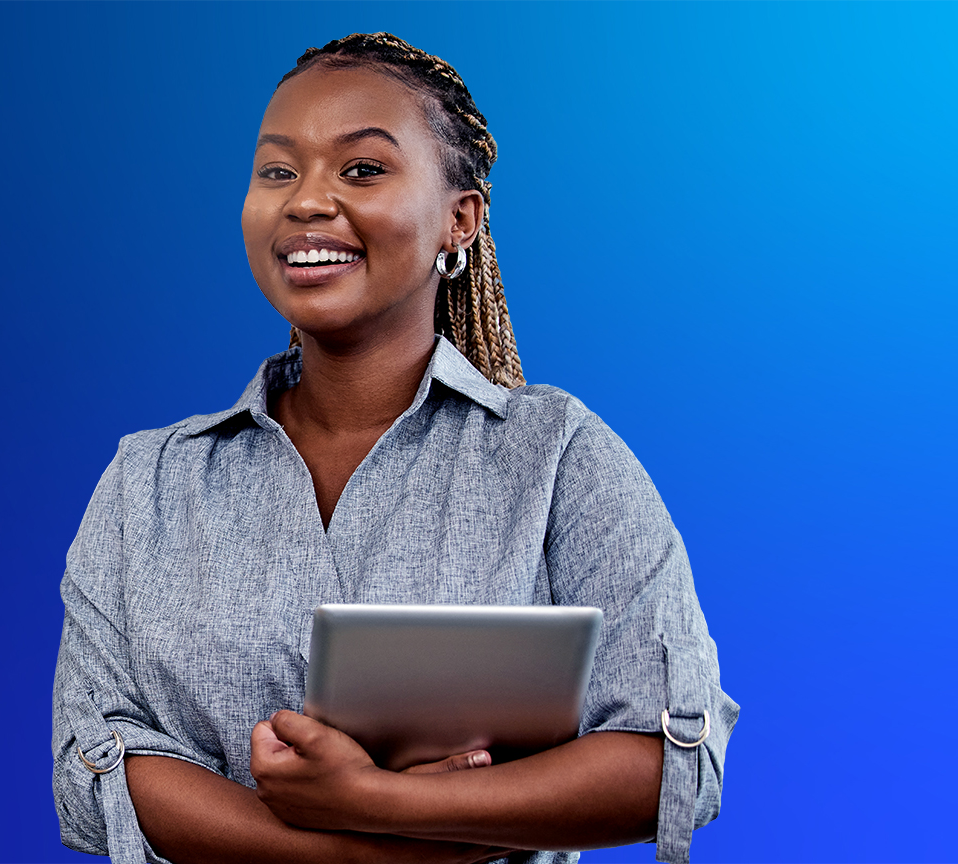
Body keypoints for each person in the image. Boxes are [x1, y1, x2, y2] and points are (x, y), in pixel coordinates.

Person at [52, 32, 737, 864]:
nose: (306, 201)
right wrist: (376, 852)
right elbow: (98, 769)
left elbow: (671, 760)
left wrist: (370, 798)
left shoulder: (560, 460)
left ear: (461, 219)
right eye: (278, 170)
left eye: (362, 169)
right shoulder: (146, 483)